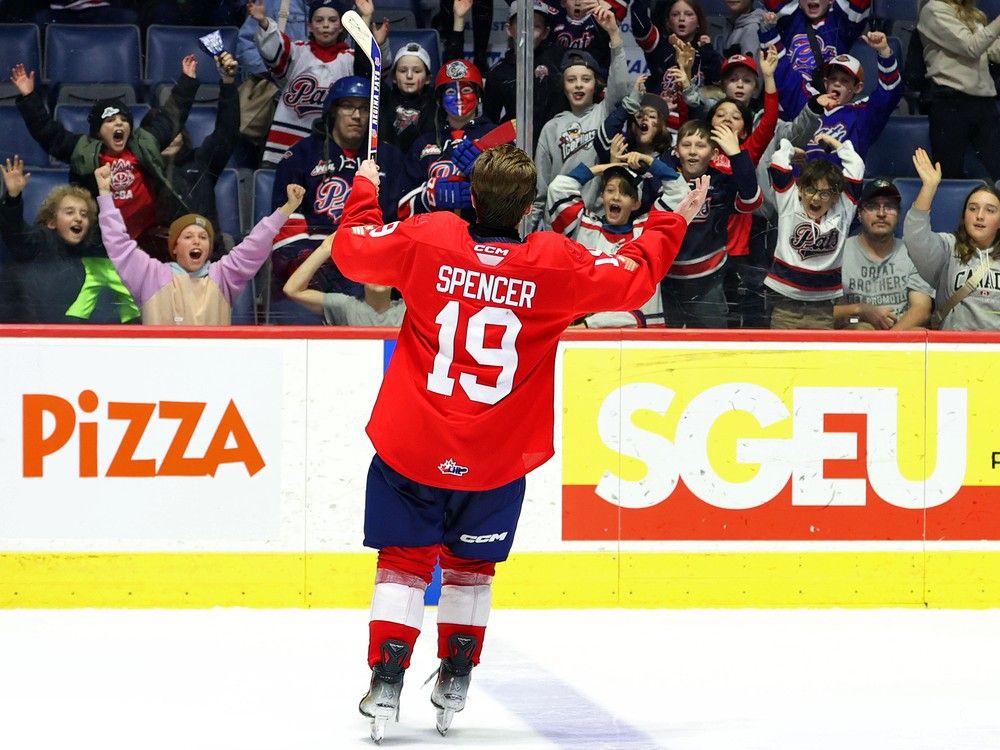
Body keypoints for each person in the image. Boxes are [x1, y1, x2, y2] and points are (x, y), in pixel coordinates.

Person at [331, 144, 708, 742]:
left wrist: (364, 189)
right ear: (530, 207)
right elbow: (633, 281)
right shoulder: (554, 263)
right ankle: (454, 675)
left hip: (416, 442)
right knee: (471, 568)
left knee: (403, 564)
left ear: (471, 197)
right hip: (498, 454)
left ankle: (386, 680)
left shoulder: (431, 238)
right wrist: (670, 219)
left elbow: (353, 252)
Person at [11, 59, 196, 257]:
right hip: (100, 246)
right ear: (98, 132)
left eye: (124, 120)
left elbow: (169, 117)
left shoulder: (144, 143)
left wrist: (187, 81)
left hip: (145, 239)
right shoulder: (82, 149)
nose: (119, 123)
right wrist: (29, 97)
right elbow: (48, 132)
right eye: (110, 121)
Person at [96, 164, 305, 325]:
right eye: (188, 237)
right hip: (161, 373)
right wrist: (105, 194)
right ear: (174, 247)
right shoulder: (150, 274)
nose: (197, 240)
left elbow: (255, 244)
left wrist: (286, 209)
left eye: (203, 237)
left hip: (212, 373)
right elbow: (119, 244)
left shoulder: (223, 275)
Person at [270, 76, 405, 297]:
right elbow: (286, 223)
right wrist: (315, 265)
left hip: (375, 267)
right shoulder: (300, 156)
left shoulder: (391, 158)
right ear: (332, 110)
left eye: (363, 108)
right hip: (318, 264)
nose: (357, 116)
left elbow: (401, 223)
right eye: (348, 106)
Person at [546, 142, 683, 325]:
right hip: (587, 336)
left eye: (625, 193)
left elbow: (680, 194)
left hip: (641, 337)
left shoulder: (647, 229)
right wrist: (602, 168)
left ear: (636, 203)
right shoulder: (583, 226)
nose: (616, 197)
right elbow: (558, 189)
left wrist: (649, 162)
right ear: (602, 197)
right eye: (610, 191)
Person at [0, 155, 139, 324]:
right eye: (69, 212)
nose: (79, 218)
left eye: (84, 214)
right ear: (51, 222)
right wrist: (13, 198)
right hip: (36, 335)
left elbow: (115, 239)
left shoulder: (92, 250)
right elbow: (16, 233)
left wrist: (104, 193)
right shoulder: (41, 241)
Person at [248, 0, 387, 166]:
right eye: (319, 20)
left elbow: (376, 73)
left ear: (342, 26)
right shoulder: (296, 52)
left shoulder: (351, 59)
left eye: (333, 20)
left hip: (330, 153)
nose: (326, 25)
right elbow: (273, 51)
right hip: (282, 150)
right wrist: (264, 22)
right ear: (310, 26)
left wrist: (366, 19)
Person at [658, 119, 762, 328]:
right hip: (667, 281)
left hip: (710, 281)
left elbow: (752, 200)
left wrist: (736, 155)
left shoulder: (721, 183)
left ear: (714, 154)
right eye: (686, 145)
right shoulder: (660, 181)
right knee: (670, 348)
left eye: (701, 145)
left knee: (710, 345)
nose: (693, 152)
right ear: (676, 151)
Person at [530, 7, 628, 228]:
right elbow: (540, 191)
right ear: (563, 86)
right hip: (556, 224)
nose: (579, 85)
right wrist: (531, 232)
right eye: (571, 79)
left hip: (595, 223)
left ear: (596, 85)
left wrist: (614, 34)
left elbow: (620, 84)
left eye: (586, 79)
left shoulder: (604, 112)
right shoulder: (552, 127)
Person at [764, 134, 864, 329]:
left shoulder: (844, 208)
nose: (816, 199)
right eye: (810, 190)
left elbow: (857, 165)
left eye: (825, 193)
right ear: (800, 189)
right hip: (786, 306)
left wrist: (835, 144)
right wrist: (792, 151)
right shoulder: (789, 200)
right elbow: (778, 158)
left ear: (836, 196)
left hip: (824, 309)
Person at [905, 148, 1000, 330]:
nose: (979, 216)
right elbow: (915, 236)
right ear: (964, 217)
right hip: (954, 350)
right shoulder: (948, 249)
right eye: (972, 209)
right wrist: (929, 187)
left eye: (990, 210)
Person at [158, 52, 241, 259]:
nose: (168, 137)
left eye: (172, 130)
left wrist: (228, 83)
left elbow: (226, 132)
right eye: (160, 132)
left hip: (208, 262)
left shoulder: (201, 160)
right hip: (159, 265)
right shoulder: (142, 169)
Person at [398, 59, 496, 223]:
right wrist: (429, 197)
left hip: (483, 239)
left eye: (466, 90)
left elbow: (517, 196)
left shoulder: (496, 137)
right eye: (450, 92)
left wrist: (484, 177)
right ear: (439, 99)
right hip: (436, 238)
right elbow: (401, 208)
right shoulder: (423, 143)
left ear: (479, 95)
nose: (458, 98)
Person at [787, 33, 903, 163]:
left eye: (845, 80)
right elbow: (784, 77)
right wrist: (768, 30)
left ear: (857, 88)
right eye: (833, 79)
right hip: (802, 181)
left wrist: (884, 52)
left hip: (843, 182)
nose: (837, 83)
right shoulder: (809, 105)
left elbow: (889, 92)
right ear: (825, 83)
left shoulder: (862, 114)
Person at [835, 177, 934, 330]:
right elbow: (822, 313)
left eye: (889, 207)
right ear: (860, 214)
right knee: (862, 329)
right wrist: (859, 310)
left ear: (898, 215)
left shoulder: (913, 252)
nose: (881, 213)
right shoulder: (838, 253)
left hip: (900, 328)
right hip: (854, 324)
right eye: (873, 207)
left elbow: (921, 309)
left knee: (919, 334)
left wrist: (891, 339)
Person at [918, 0, 1000, 181]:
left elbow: (992, 50)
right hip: (950, 102)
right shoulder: (933, 9)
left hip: (983, 102)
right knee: (950, 173)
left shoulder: (973, 14)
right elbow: (971, 47)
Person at [759, 0, 872, 118]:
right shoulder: (789, 19)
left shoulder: (840, 20)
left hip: (830, 107)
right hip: (791, 102)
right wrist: (768, 25)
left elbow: (860, 3)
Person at [484, 0, 566, 144]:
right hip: (515, 147)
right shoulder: (498, 73)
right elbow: (489, 122)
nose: (527, 32)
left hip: (557, 141)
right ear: (509, 29)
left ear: (546, 32)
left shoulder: (560, 60)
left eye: (535, 26)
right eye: (522, 25)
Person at [282, 235, 405, 325]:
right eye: (372, 269)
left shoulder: (408, 311)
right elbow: (292, 290)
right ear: (360, 277)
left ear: (396, 278)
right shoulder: (345, 306)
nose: (378, 276)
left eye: (384, 269)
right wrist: (325, 248)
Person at [630, 0, 722, 97]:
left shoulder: (706, 52)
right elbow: (639, 23)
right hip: (662, 109)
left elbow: (718, 80)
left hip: (696, 110)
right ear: (668, 22)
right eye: (675, 14)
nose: (681, 18)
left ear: (698, 22)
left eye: (688, 14)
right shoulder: (659, 46)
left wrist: (707, 51)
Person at [380, 42, 436, 154]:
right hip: (389, 164)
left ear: (428, 79)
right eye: (402, 70)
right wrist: (380, 45)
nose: (409, 76)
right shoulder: (384, 98)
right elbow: (367, 72)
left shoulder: (435, 100)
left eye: (417, 71)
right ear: (394, 77)